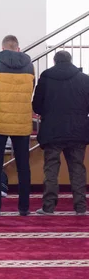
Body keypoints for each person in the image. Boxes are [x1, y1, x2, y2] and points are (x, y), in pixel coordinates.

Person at [0, 35, 34, 216]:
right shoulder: (29, 64)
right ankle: (24, 207)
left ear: (3, 48)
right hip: (21, 122)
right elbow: (31, 87)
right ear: (18, 48)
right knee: (23, 165)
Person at [32, 50, 89, 216]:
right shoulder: (85, 79)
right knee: (78, 169)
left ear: (54, 61)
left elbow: (36, 106)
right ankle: (81, 208)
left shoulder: (46, 78)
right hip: (78, 131)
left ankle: (48, 207)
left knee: (51, 169)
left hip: (52, 131)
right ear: (71, 61)